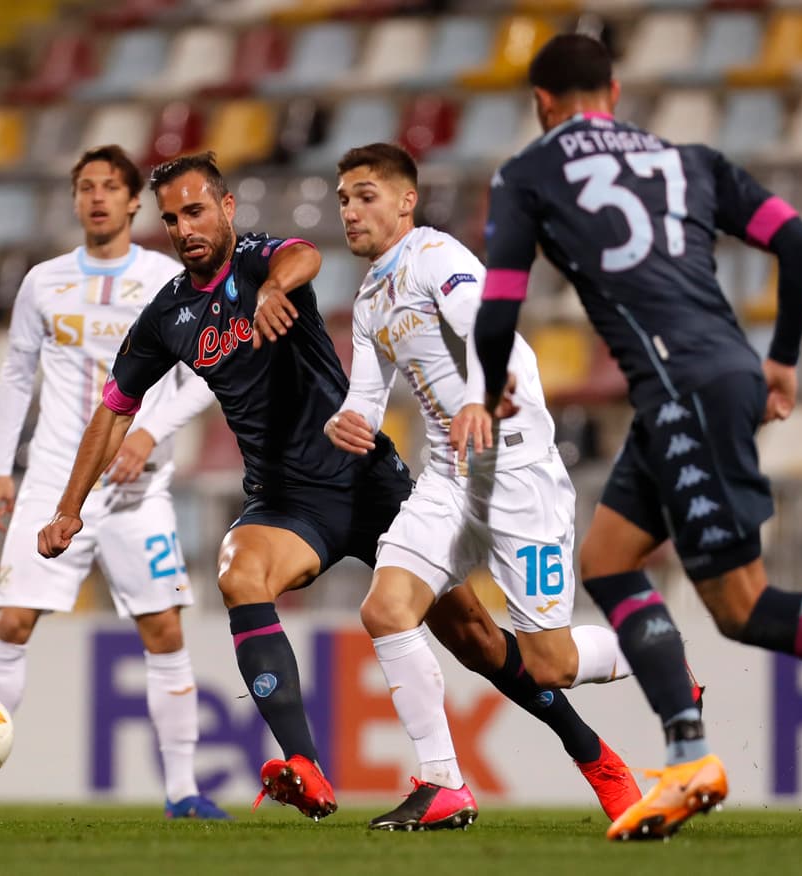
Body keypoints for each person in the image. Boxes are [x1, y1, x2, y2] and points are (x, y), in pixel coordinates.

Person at [473, 33, 802, 841]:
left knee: (744, 606)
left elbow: (500, 304)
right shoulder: (688, 158)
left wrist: (489, 386)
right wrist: (782, 360)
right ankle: (687, 751)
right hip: (712, 376)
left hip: (681, 388)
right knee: (608, 560)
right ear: (615, 93)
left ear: (542, 103)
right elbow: (797, 239)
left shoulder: (527, 173)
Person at [39, 152, 660, 827]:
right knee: (240, 574)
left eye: (195, 211)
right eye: (171, 219)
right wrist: (69, 509)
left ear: (225, 208)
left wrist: (274, 290)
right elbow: (115, 408)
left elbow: (302, 256)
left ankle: (593, 754)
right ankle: (309, 766)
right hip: (286, 501)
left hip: (368, 484)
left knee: (481, 641)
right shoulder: (168, 315)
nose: (185, 228)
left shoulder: (261, 261)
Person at [328, 142, 645, 830]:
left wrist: (478, 396)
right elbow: (367, 397)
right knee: (386, 610)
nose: (350, 211)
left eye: (365, 196)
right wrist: (347, 421)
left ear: (406, 200)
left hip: (516, 474)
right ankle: (443, 783)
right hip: (449, 476)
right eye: (344, 199)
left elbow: (487, 329)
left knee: (550, 663)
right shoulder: (371, 297)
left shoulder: (435, 256)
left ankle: (653, 651)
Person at [0, 145, 227, 821]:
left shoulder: (166, 278)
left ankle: (184, 792)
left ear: (133, 202)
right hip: (51, 481)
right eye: (85, 187)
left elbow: (208, 370)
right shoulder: (44, 282)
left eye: (110, 187)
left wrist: (150, 432)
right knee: (12, 621)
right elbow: (16, 375)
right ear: (75, 200)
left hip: (136, 488)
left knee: (164, 631)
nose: (96, 197)